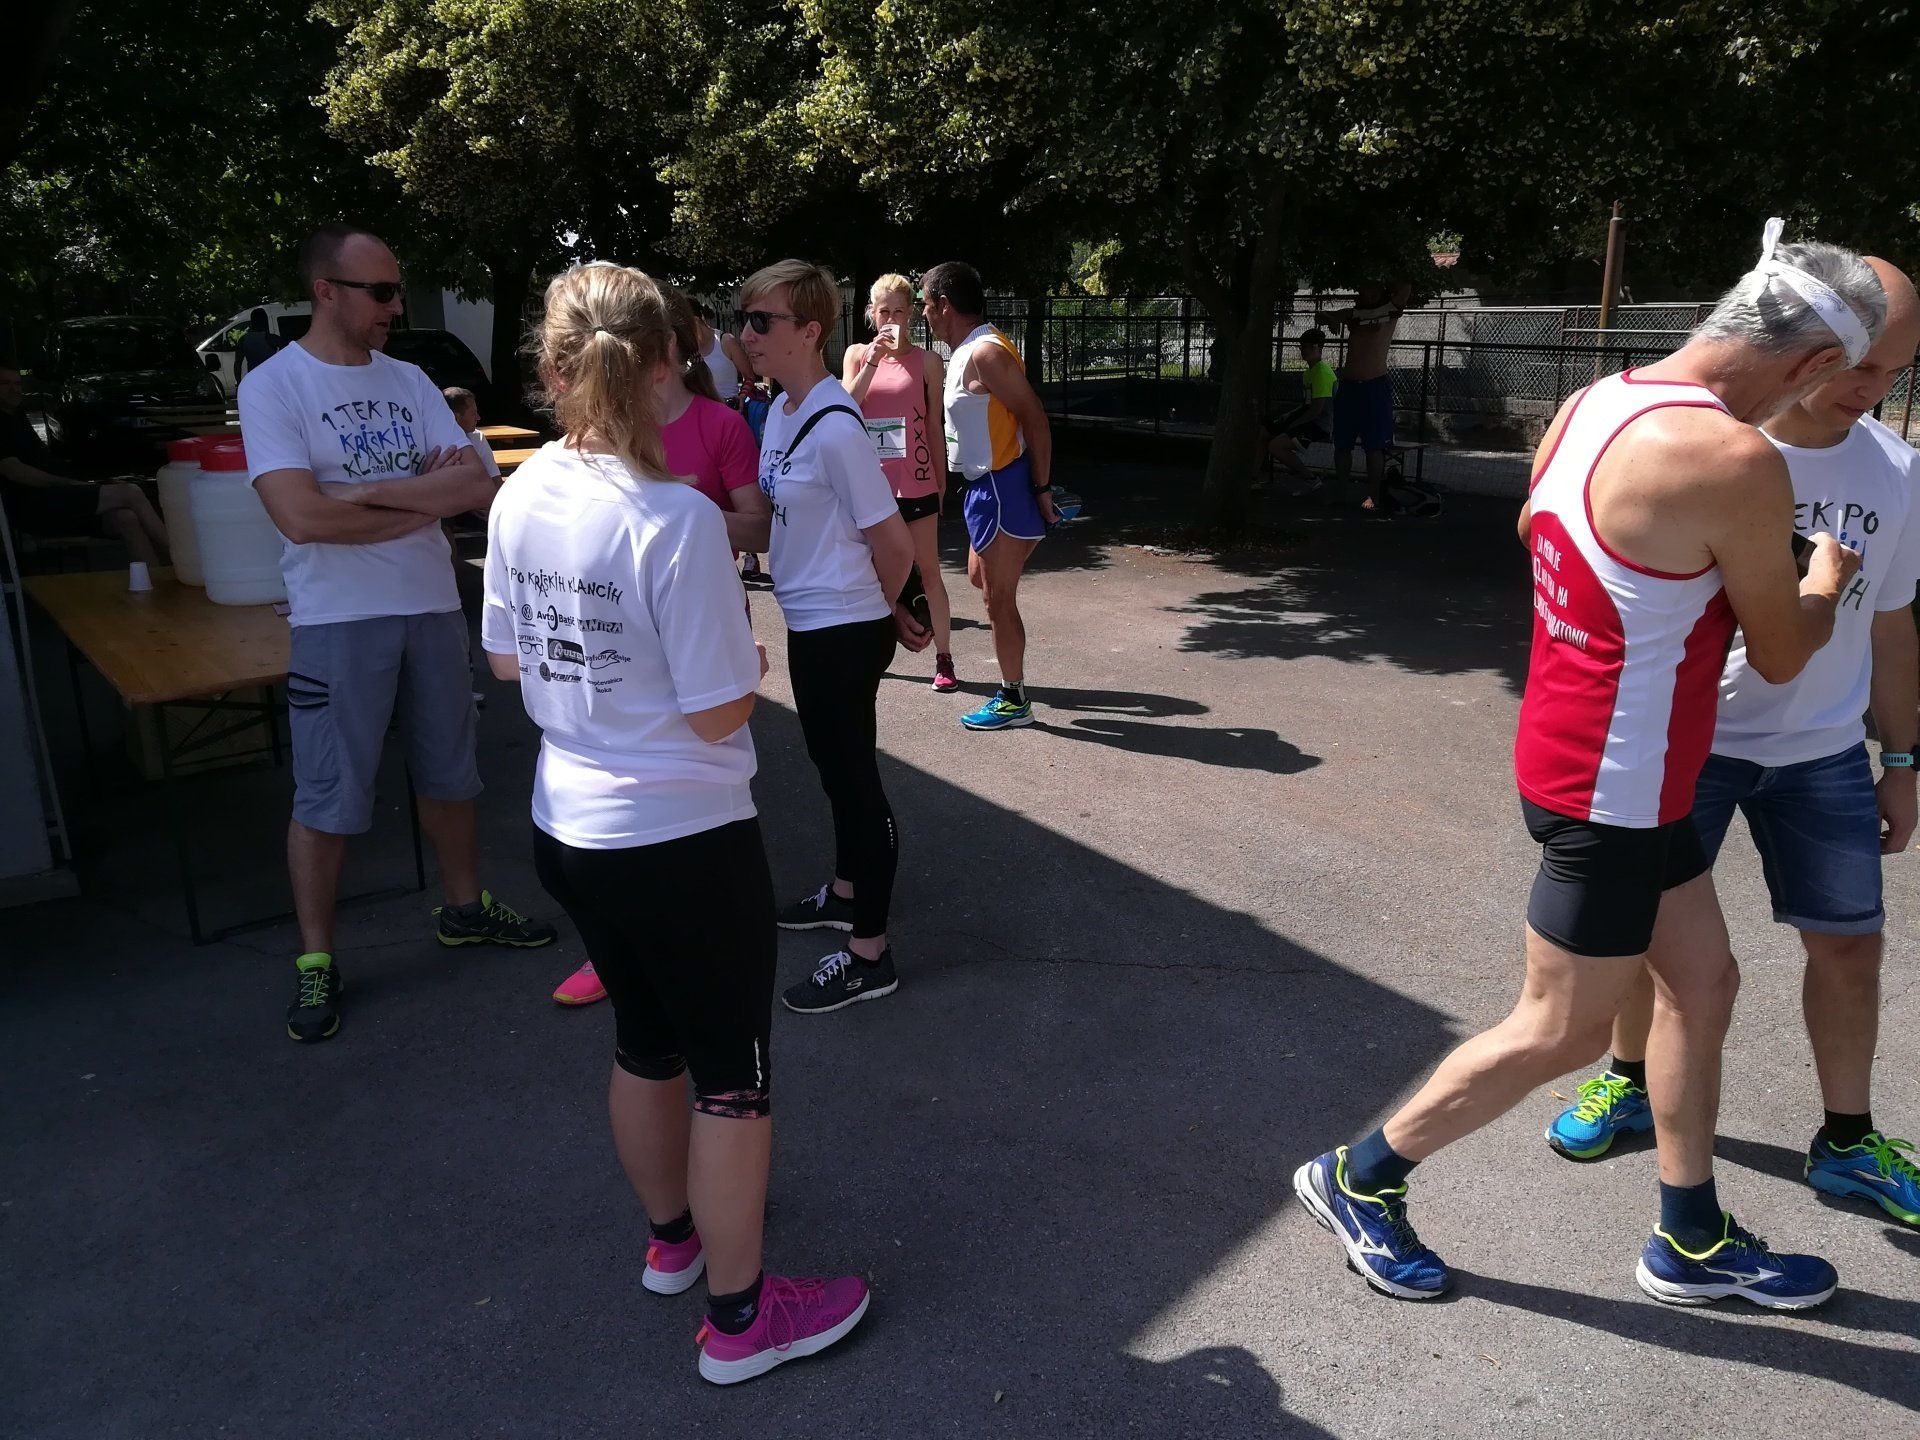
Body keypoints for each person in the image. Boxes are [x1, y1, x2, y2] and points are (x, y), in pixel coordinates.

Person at [1294, 221, 1881, 1310]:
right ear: (1808, 362)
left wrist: (1662, 590)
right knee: (1560, 1027)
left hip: (1597, 760)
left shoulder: (1595, 401)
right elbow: (1784, 653)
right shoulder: (1733, 458)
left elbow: (1535, 526)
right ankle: (1359, 1176)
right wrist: (1824, 578)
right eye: (1831, 382)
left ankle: (1690, 1238)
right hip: (1615, 788)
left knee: (1702, 985)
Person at [481, 260, 869, 1384]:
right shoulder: (676, 519)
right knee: (731, 1078)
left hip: (570, 827)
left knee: (644, 1041)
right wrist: (745, 667)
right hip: (681, 840)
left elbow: (507, 661)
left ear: (554, 367)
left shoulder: (520, 493)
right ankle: (741, 1323)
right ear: (672, 361)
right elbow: (716, 713)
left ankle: (673, 1245)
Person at [1546, 257, 1920, 1229]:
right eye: (1858, 363)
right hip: (1691, 746)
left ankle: (1849, 1142)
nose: (1868, 387)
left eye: (1893, 372)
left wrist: (1902, 761)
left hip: (1823, 753)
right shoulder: (1708, 445)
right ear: (1812, 349)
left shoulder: (1895, 470)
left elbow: (1892, 624)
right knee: (1650, 945)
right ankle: (1628, 1080)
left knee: (1851, 946)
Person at [241, 221, 555, 1045]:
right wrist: (416, 499)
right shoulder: (275, 387)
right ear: (325, 292)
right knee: (329, 794)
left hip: (430, 607)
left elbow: (478, 487)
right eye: (380, 292)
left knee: (451, 772)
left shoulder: (411, 379)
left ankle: (463, 908)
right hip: (337, 619)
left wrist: (354, 495)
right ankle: (317, 959)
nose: (395, 306)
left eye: (397, 291)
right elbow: (300, 518)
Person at [549, 285, 774, 1009]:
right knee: (723, 1065)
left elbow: (758, 526)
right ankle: (619, 950)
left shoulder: (717, 426)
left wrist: (682, 521)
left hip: (695, 623)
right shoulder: (595, 473)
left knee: (649, 1039)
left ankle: (630, 949)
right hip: (663, 818)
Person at [738, 258, 926, 1013]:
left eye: (763, 320)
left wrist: (880, 608)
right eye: (745, 318)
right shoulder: (784, 412)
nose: (747, 333)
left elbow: (896, 544)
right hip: (813, 624)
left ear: (811, 330)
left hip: (843, 629)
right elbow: (775, 525)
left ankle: (870, 954)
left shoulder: (837, 427)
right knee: (832, 771)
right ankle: (847, 893)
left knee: (854, 784)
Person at [919, 261, 1058, 730]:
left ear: (944, 305)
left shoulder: (984, 353)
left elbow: (1034, 417)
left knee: (998, 600)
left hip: (1001, 486)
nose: (923, 314)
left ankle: (1014, 698)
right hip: (983, 488)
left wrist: (1040, 488)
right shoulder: (969, 351)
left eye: (925, 304)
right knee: (981, 581)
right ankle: (1013, 687)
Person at [843, 272, 957, 691]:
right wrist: (873, 360)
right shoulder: (857, 354)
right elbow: (845, 407)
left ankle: (944, 658)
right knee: (871, 574)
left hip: (915, 480)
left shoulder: (927, 361)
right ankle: (874, 649)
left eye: (898, 312)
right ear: (871, 314)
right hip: (869, 484)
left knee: (928, 570)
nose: (890, 319)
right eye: (882, 311)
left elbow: (933, 423)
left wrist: (940, 482)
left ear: (910, 314)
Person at [0, 364, 170, 565]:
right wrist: (65, 483)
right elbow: (13, 471)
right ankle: (178, 556)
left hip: (59, 499)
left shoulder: (16, 414)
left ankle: (154, 579)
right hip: (36, 505)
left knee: (126, 518)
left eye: (17, 383)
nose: (14, 389)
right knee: (131, 492)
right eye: (5, 383)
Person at [1318, 282, 1412, 513]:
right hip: (1349, 387)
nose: (1370, 293)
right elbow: (1322, 315)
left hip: (1374, 386)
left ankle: (1373, 496)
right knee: (1342, 444)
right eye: (1366, 289)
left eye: (1375, 289)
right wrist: (1331, 319)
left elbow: (1405, 287)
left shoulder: (1390, 310)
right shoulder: (1355, 313)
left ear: (1382, 291)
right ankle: (1341, 494)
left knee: (1374, 446)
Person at [1260, 329, 1337, 490]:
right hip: (1308, 418)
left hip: (1319, 425)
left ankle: (1311, 479)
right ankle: (1254, 478)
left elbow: (1316, 410)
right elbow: (1307, 404)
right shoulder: (1309, 372)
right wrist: (1289, 415)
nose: (1303, 351)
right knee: (1263, 432)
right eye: (1302, 347)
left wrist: (1292, 424)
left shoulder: (1322, 373)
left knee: (1275, 446)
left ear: (1317, 348)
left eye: (1307, 347)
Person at [692, 300, 757, 406]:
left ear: (695, 320)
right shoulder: (687, 348)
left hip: (728, 408)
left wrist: (742, 396)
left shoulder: (726, 341)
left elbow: (749, 376)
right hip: (701, 410)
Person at [442, 386, 502, 480]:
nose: (478, 418)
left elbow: (495, 479)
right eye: (473, 414)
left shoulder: (477, 437)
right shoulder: (432, 443)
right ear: (455, 417)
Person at [233, 309, 283, 389]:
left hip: (254, 378)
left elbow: (237, 364)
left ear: (252, 321)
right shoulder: (272, 338)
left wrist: (239, 383)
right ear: (265, 320)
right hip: (271, 379)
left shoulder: (243, 340)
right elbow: (287, 356)